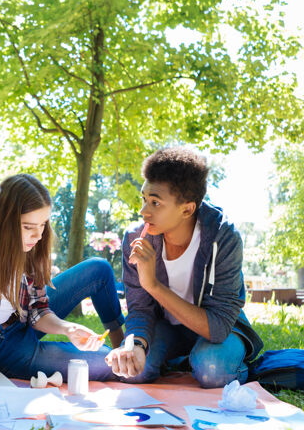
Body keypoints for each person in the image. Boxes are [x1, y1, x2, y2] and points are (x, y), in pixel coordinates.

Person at [0, 174, 125, 381]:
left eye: (43, 224)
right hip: (0, 346)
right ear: (4, 221)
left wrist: (68, 328)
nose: (39, 235)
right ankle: (119, 359)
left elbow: (38, 309)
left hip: (23, 318)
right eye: (28, 227)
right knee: (109, 362)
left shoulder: (33, 245)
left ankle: (122, 348)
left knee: (99, 269)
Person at [105, 147, 263, 388]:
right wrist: (136, 344)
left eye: (155, 202)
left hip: (215, 327)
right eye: (144, 199)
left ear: (187, 209)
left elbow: (219, 327)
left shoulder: (224, 238)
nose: (143, 211)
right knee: (135, 369)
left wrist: (153, 286)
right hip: (166, 327)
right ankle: (181, 359)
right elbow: (139, 308)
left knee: (214, 370)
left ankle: (226, 361)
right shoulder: (136, 239)